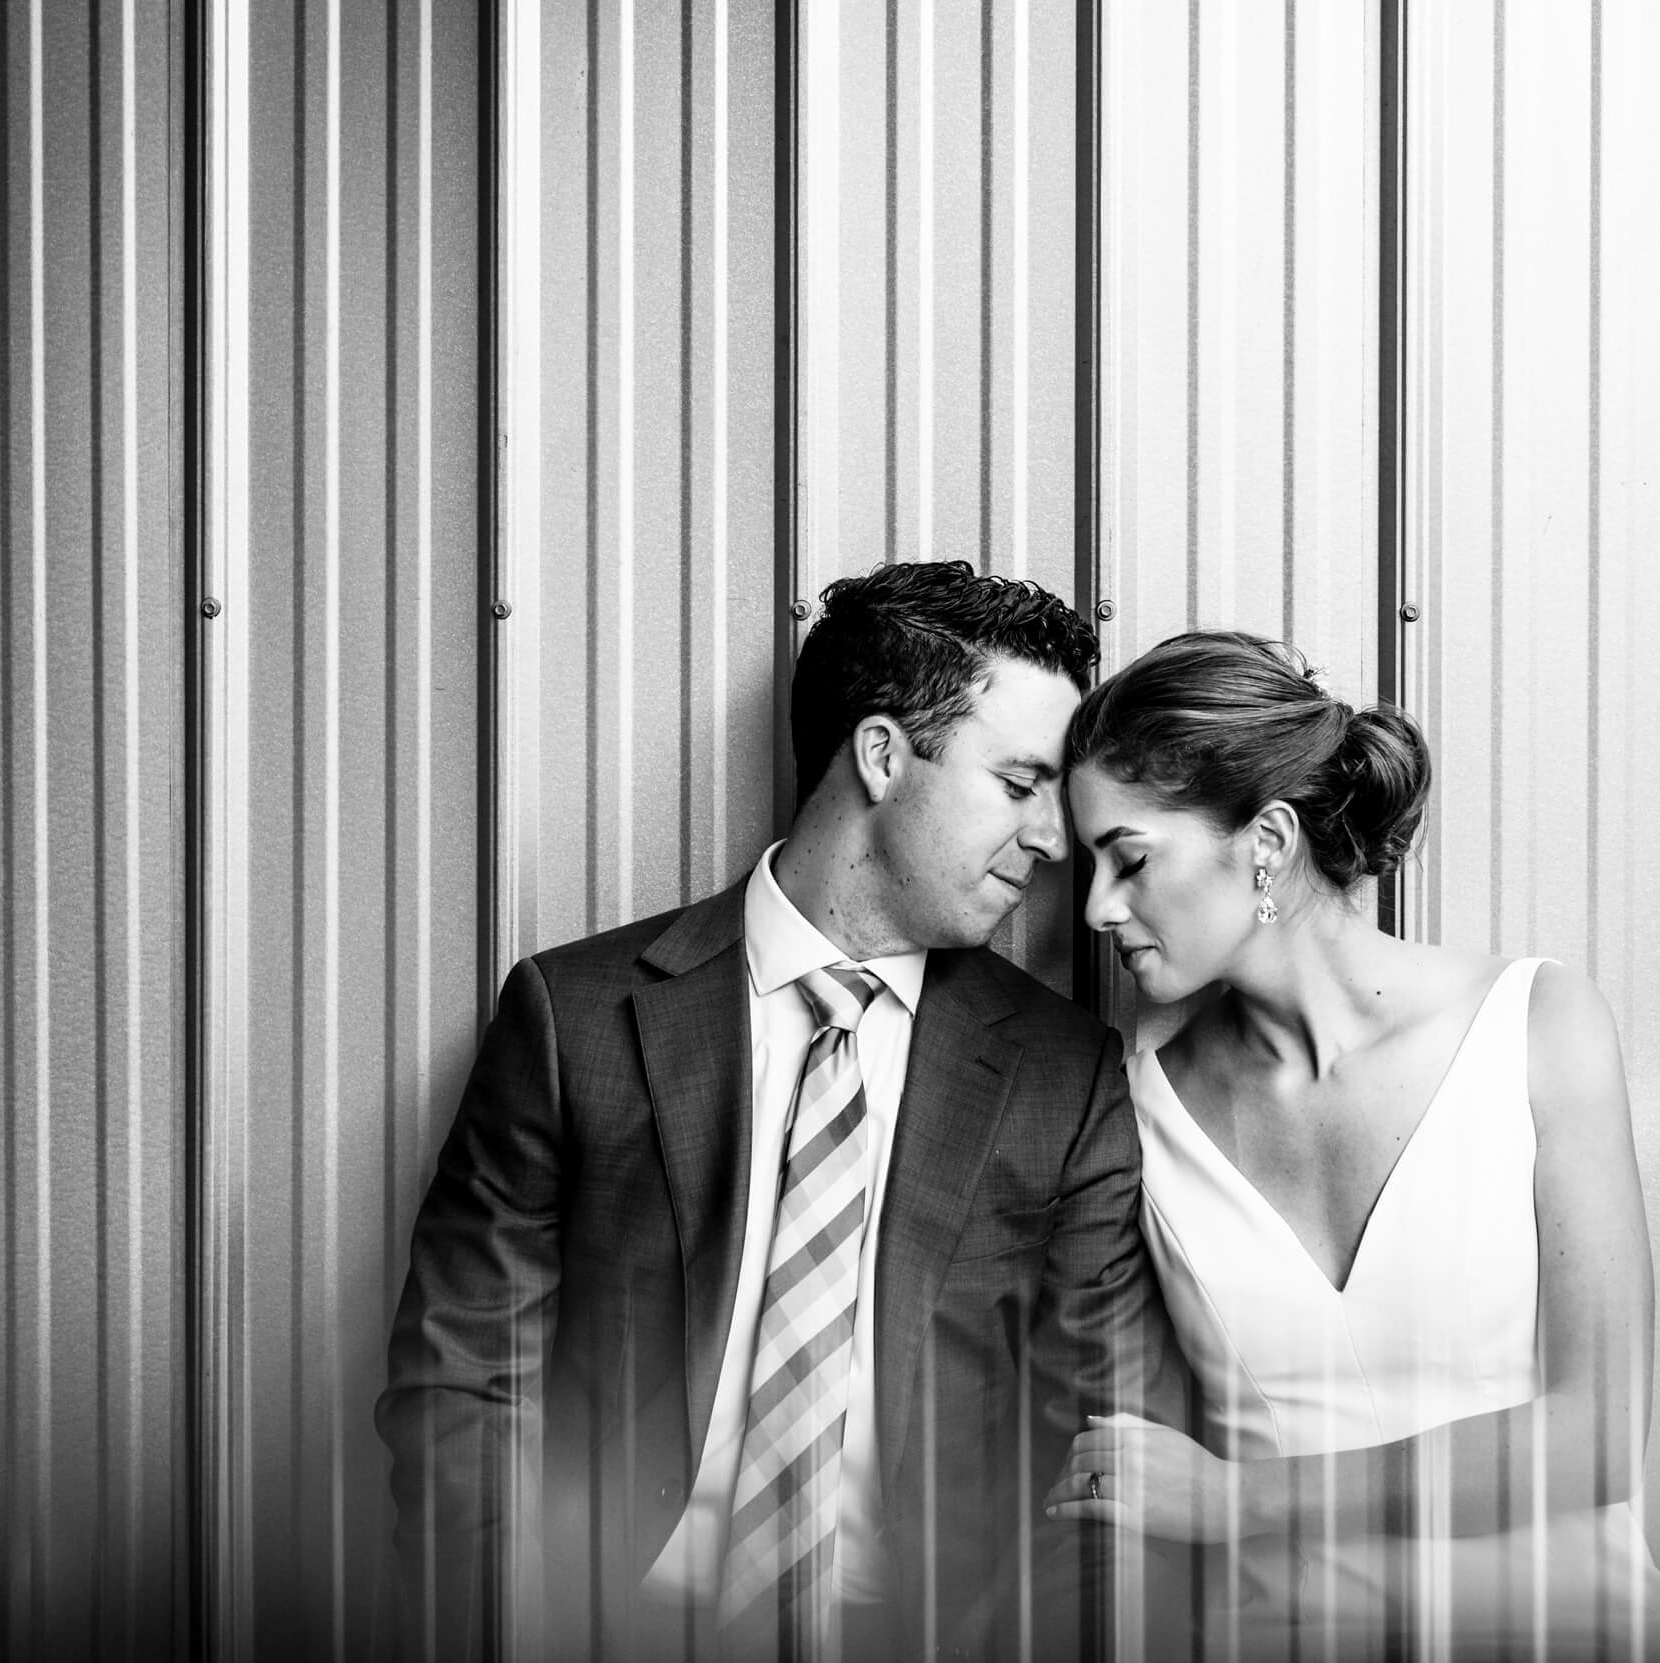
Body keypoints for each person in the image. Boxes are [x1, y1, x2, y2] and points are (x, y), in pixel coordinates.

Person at [379, 561, 1186, 1663]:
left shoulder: (1062, 1076)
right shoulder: (575, 1019)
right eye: (1017, 783)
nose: (1055, 840)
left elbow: (1103, 1453)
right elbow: (465, 1382)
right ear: (882, 754)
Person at [1043, 629, 1660, 1662]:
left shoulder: (1537, 1024)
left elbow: (1596, 1435)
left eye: (1130, 859)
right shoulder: (1130, 1098)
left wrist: (1241, 1497)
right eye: (1088, 866)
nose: (1096, 909)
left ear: (1264, 840)